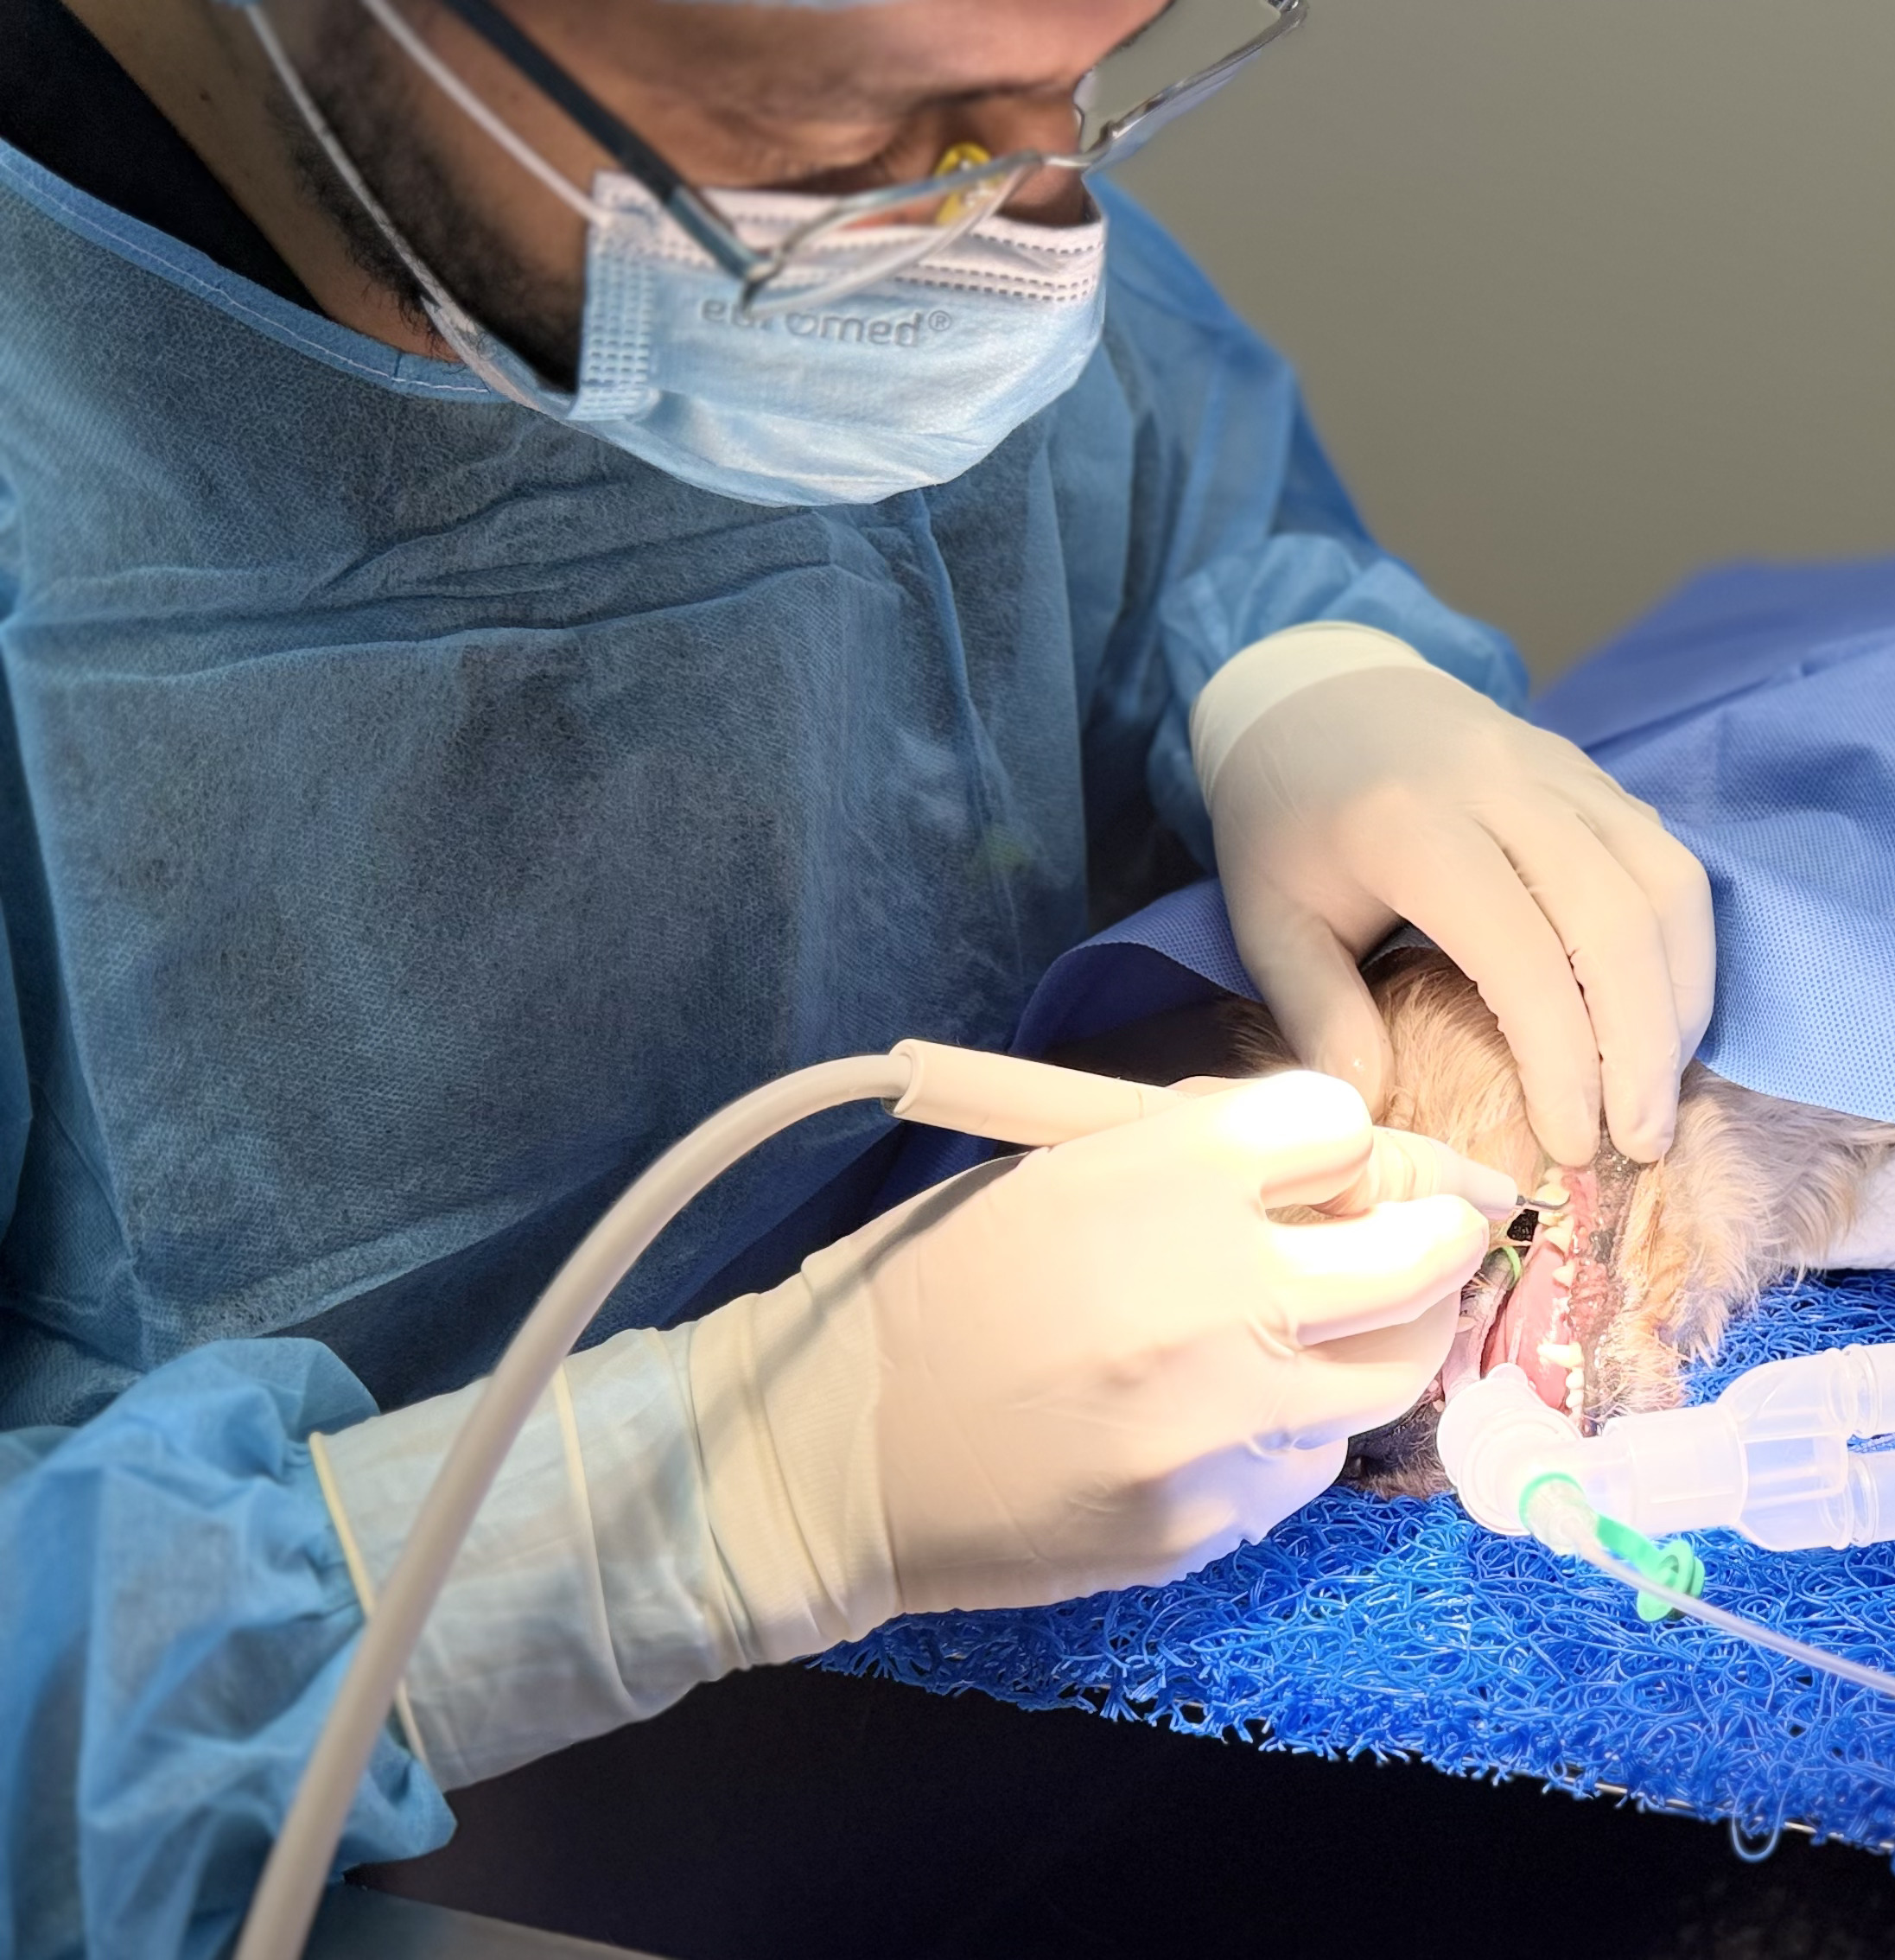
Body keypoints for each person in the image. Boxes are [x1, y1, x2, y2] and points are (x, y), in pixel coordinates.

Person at [0, 0, 1715, 1950]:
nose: (1032, 213)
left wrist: (1294, 674)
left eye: (1100, 72)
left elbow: (1168, 506)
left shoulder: (913, 168)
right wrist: (723, 1500)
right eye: (841, 133)